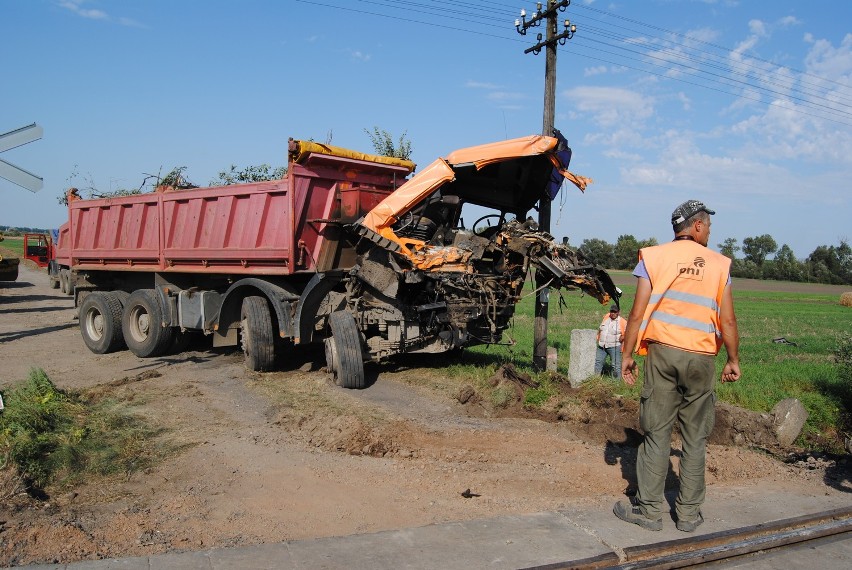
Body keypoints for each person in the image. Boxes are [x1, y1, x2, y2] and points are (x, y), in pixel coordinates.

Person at [613, 199, 741, 533]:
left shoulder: (653, 257)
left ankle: (650, 512)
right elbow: (727, 318)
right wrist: (733, 358)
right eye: (709, 225)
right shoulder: (719, 265)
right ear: (696, 226)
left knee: (656, 434)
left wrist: (627, 354)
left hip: (663, 355)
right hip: (701, 359)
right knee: (695, 439)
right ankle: (687, 516)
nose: (710, 230)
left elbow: (638, 312)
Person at [594, 305, 626, 378]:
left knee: (615, 365)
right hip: (602, 346)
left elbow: (628, 332)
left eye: (615, 312)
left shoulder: (622, 322)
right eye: (612, 311)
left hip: (614, 347)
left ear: (618, 312)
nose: (613, 313)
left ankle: (616, 384)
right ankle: (595, 379)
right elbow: (600, 329)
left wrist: (623, 337)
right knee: (598, 362)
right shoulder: (606, 317)